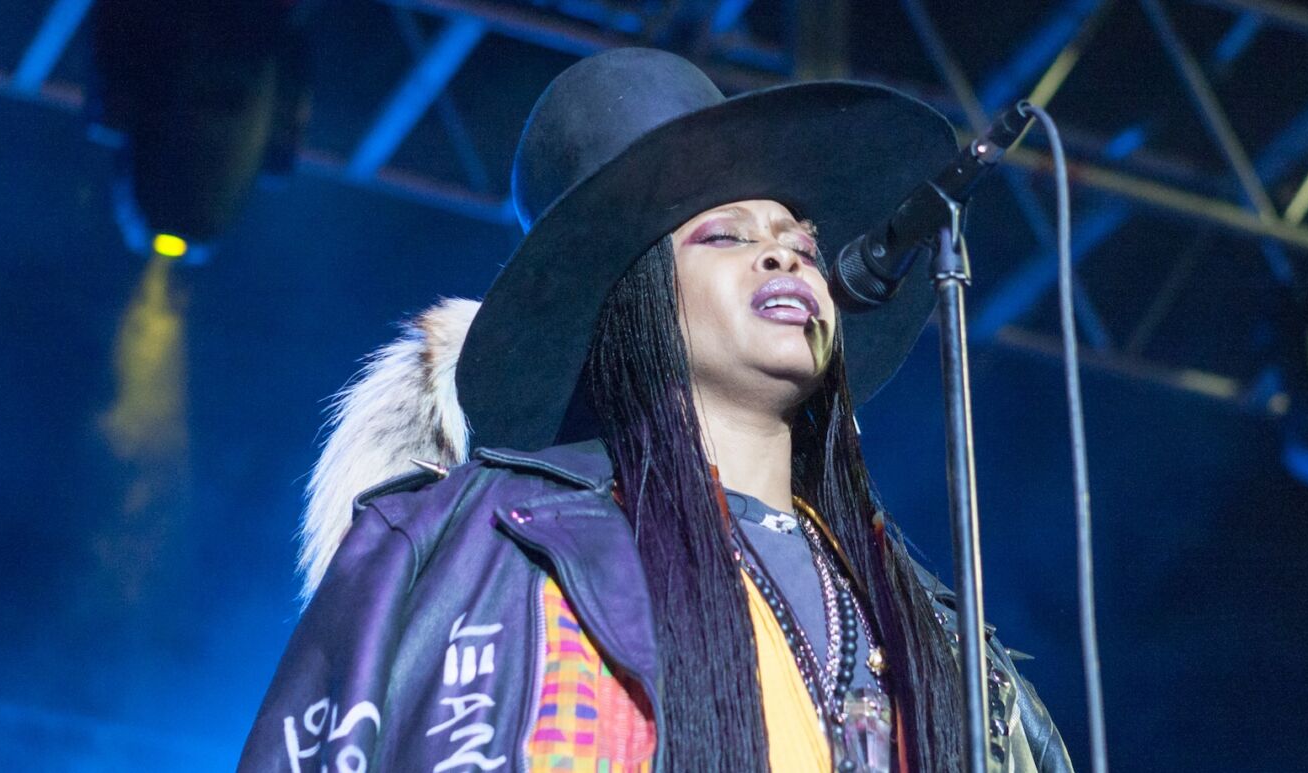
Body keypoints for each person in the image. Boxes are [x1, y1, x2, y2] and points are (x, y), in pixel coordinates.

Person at [239, 48, 1072, 773]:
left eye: (801, 242)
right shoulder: (485, 544)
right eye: (726, 236)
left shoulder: (940, 638)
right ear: (631, 301)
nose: (783, 249)